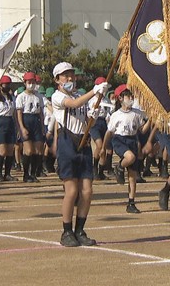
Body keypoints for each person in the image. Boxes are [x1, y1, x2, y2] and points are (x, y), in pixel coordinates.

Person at [51, 62, 109, 247]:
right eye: (64, 75)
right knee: (72, 190)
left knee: (87, 190)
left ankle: (80, 229)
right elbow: (73, 104)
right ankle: (66, 231)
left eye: (71, 75)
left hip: (83, 143)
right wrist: (94, 91)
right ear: (57, 79)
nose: (69, 78)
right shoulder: (57, 96)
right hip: (67, 142)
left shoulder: (79, 95)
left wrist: (94, 113)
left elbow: (86, 120)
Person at [102, 85, 150, 213]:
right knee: (130, 157)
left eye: (131, 96)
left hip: (132, 140)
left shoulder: (137, 113)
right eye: (128, 96)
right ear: (121, 98)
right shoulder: (116, 115)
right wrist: (104, 147)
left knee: (132, 175)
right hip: (120, 140)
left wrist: (151, 120)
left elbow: (142, 130)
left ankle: (131, 202)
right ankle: (119, 167)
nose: (131, 99)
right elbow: (109, 132)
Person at [16, 72, 45, 183]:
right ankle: (26, 174)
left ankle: (33, 173)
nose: (31, 84)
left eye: (33, 82)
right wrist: (22, 128)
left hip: (36, 120)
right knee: (28, 150)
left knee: (38, 150)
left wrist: (42, 127)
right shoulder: (21, 97)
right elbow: (19, 113)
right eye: (29, 82)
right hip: (26, 119)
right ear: (25, 83)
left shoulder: (38, 96)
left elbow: (41, 113)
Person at [0, 75, 18, 182]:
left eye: (8, 84)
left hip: (10, 122)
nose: (6, 86)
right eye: (4, 84)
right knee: (2, 151)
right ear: (0, 85)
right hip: (1, 123)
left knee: (10, 150)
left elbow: (15, 114)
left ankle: (7, 173)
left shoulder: (12, 98)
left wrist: (17, 128)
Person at [88, 77, 111, 181]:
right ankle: (94, 168)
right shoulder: (92, 99)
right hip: (95, 123)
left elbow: (108, 114)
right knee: (99, 145)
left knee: (104, 148)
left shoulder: (106, 100)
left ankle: (101, 171)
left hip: (103, 123)